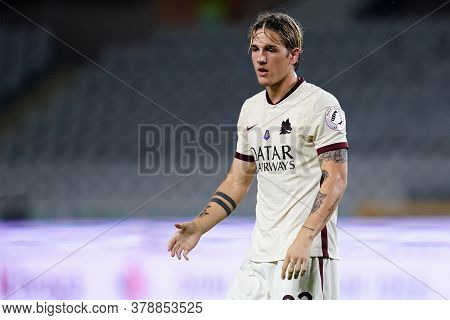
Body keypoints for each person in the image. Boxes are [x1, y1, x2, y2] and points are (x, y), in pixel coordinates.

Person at [167, 12, 348, 300]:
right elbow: (237, 182)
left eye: (271, 49)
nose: (260, 58)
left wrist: (305, 237)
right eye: (255, 49)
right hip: (259, 256)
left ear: (294, 55)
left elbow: (335, 180)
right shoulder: (251, 110)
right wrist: (199, 226)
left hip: (304, 255)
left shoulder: (321, 105)